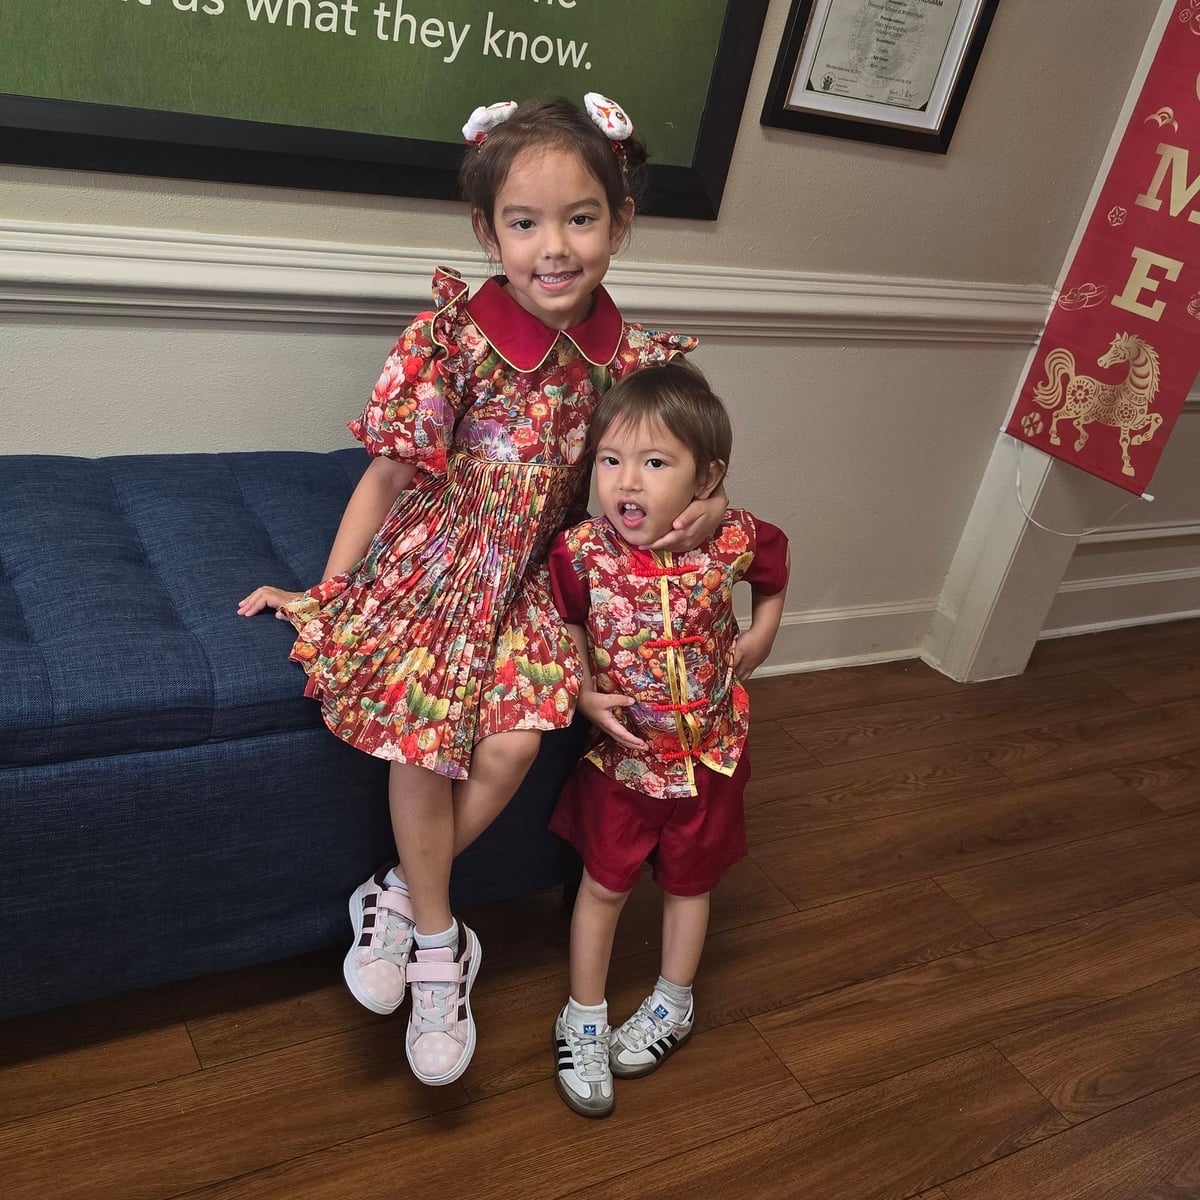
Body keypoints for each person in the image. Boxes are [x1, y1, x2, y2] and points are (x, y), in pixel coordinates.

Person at [237, 94, 726, 1087]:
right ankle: (438, 943)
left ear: (621, 222)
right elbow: (386, 475)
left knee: (510, 742)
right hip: (436, 567)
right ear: (487, 231)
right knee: (426, 733)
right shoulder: (452, 339)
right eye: (525, 222)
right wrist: (330, 591)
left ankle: (392, 891)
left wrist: (711, 508)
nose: (555, 247)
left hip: (530, 582)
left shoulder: (629, 362)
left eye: (581, 218)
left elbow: (669, 463)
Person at [545, 362, 789, 1118]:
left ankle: (673, 1002)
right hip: (625, 765)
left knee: (691, 883)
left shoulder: (731, 536)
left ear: (704, 478)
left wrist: (763, 635)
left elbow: (774, 567)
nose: (627, 481)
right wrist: (583, 688)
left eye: (655, 463)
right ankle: (583, 1014)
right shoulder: (581, 552)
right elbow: (567, 622)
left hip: (712, 756)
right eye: (611, 460)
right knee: (603, 885)